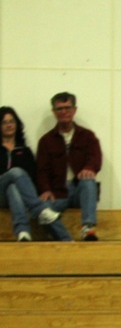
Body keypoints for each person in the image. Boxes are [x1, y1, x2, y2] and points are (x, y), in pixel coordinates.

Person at [36, 92, 102, 241]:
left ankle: (88, 228)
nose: (64, 112)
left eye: (67, 108)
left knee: (88, 180)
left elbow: (95, 157)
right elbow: (41, 170)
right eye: (59, 109)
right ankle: (66, 239)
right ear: (54, 112)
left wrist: (89, 168)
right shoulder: (46, 141)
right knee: (41, 209)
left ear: (74, 110)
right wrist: (45, 189)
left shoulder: (87, 136)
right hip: (57, 193)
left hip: (80, 190)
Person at [1, 106, 59, 241]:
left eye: (12, 121)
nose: (9, 125)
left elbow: (33, 176)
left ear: (17, 124)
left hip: (16, 196)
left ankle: (23, 232)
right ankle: (40, 210)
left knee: (12, 188)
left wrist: (43, 190)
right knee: (16, 172)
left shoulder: (25, 151)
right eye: (4, 122)